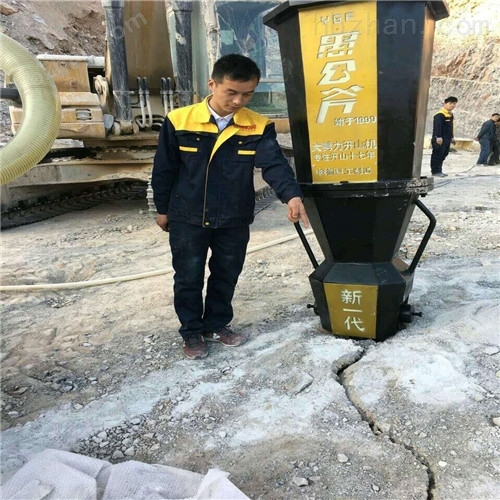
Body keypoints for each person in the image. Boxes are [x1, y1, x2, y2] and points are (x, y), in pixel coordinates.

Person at [152, 54, 309, 360]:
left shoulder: (258, 126)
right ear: (213, 84)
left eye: (247, 94)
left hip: (233, 217)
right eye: (232, 92)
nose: (238, 101)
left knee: (226, 273)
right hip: (188, 215)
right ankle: (191, 330)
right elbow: (164, 169)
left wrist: (291, 195)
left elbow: (274, 165)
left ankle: (216, 324)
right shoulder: (179, 121)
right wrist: (162, 209)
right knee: (188, 276)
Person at [430, 96, 458, 177]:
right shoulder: (440, 115)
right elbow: (437, 127)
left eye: (454, 104)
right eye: (450, 103)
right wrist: (438, 137)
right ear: (445, 104)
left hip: (447, 139)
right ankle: (435, 171)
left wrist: (452, 137)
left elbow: (450, 127)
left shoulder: (450, 115)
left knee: (444, 154)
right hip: (440, 139)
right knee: (437, 155)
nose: (452, 105)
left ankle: (439, 170)